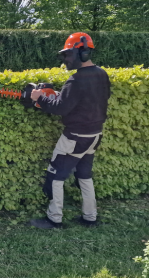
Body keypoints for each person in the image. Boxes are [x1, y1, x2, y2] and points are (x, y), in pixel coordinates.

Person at [29, 32, 111, 229]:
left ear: (81, 52)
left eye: (67, 54)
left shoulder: (75, 81)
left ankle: (54, 218)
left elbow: (61, 109)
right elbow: (85, 100)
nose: (65, 59)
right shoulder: (101, 74)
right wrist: (59, 95)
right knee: (84, 175)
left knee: (56, 176)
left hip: (74, 137)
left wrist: (39, 97)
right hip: (94, 135)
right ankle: (90, 217)